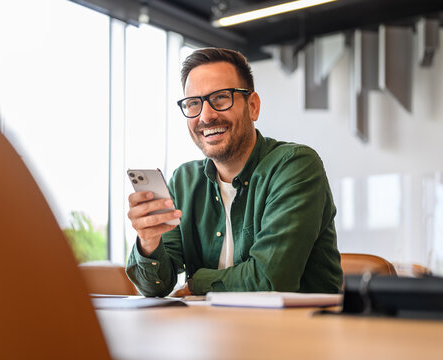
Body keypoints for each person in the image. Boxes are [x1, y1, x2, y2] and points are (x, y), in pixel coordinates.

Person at [126, 47, 342, 297]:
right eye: (193, 103)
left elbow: (271, 279)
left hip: (294, 332)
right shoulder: (184, 181)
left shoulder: (296, 166)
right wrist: (148, 241)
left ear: (253, 106)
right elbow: (156, 287)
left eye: (220, 98)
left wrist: (196, 284)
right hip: (211, 332)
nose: (206, 116)